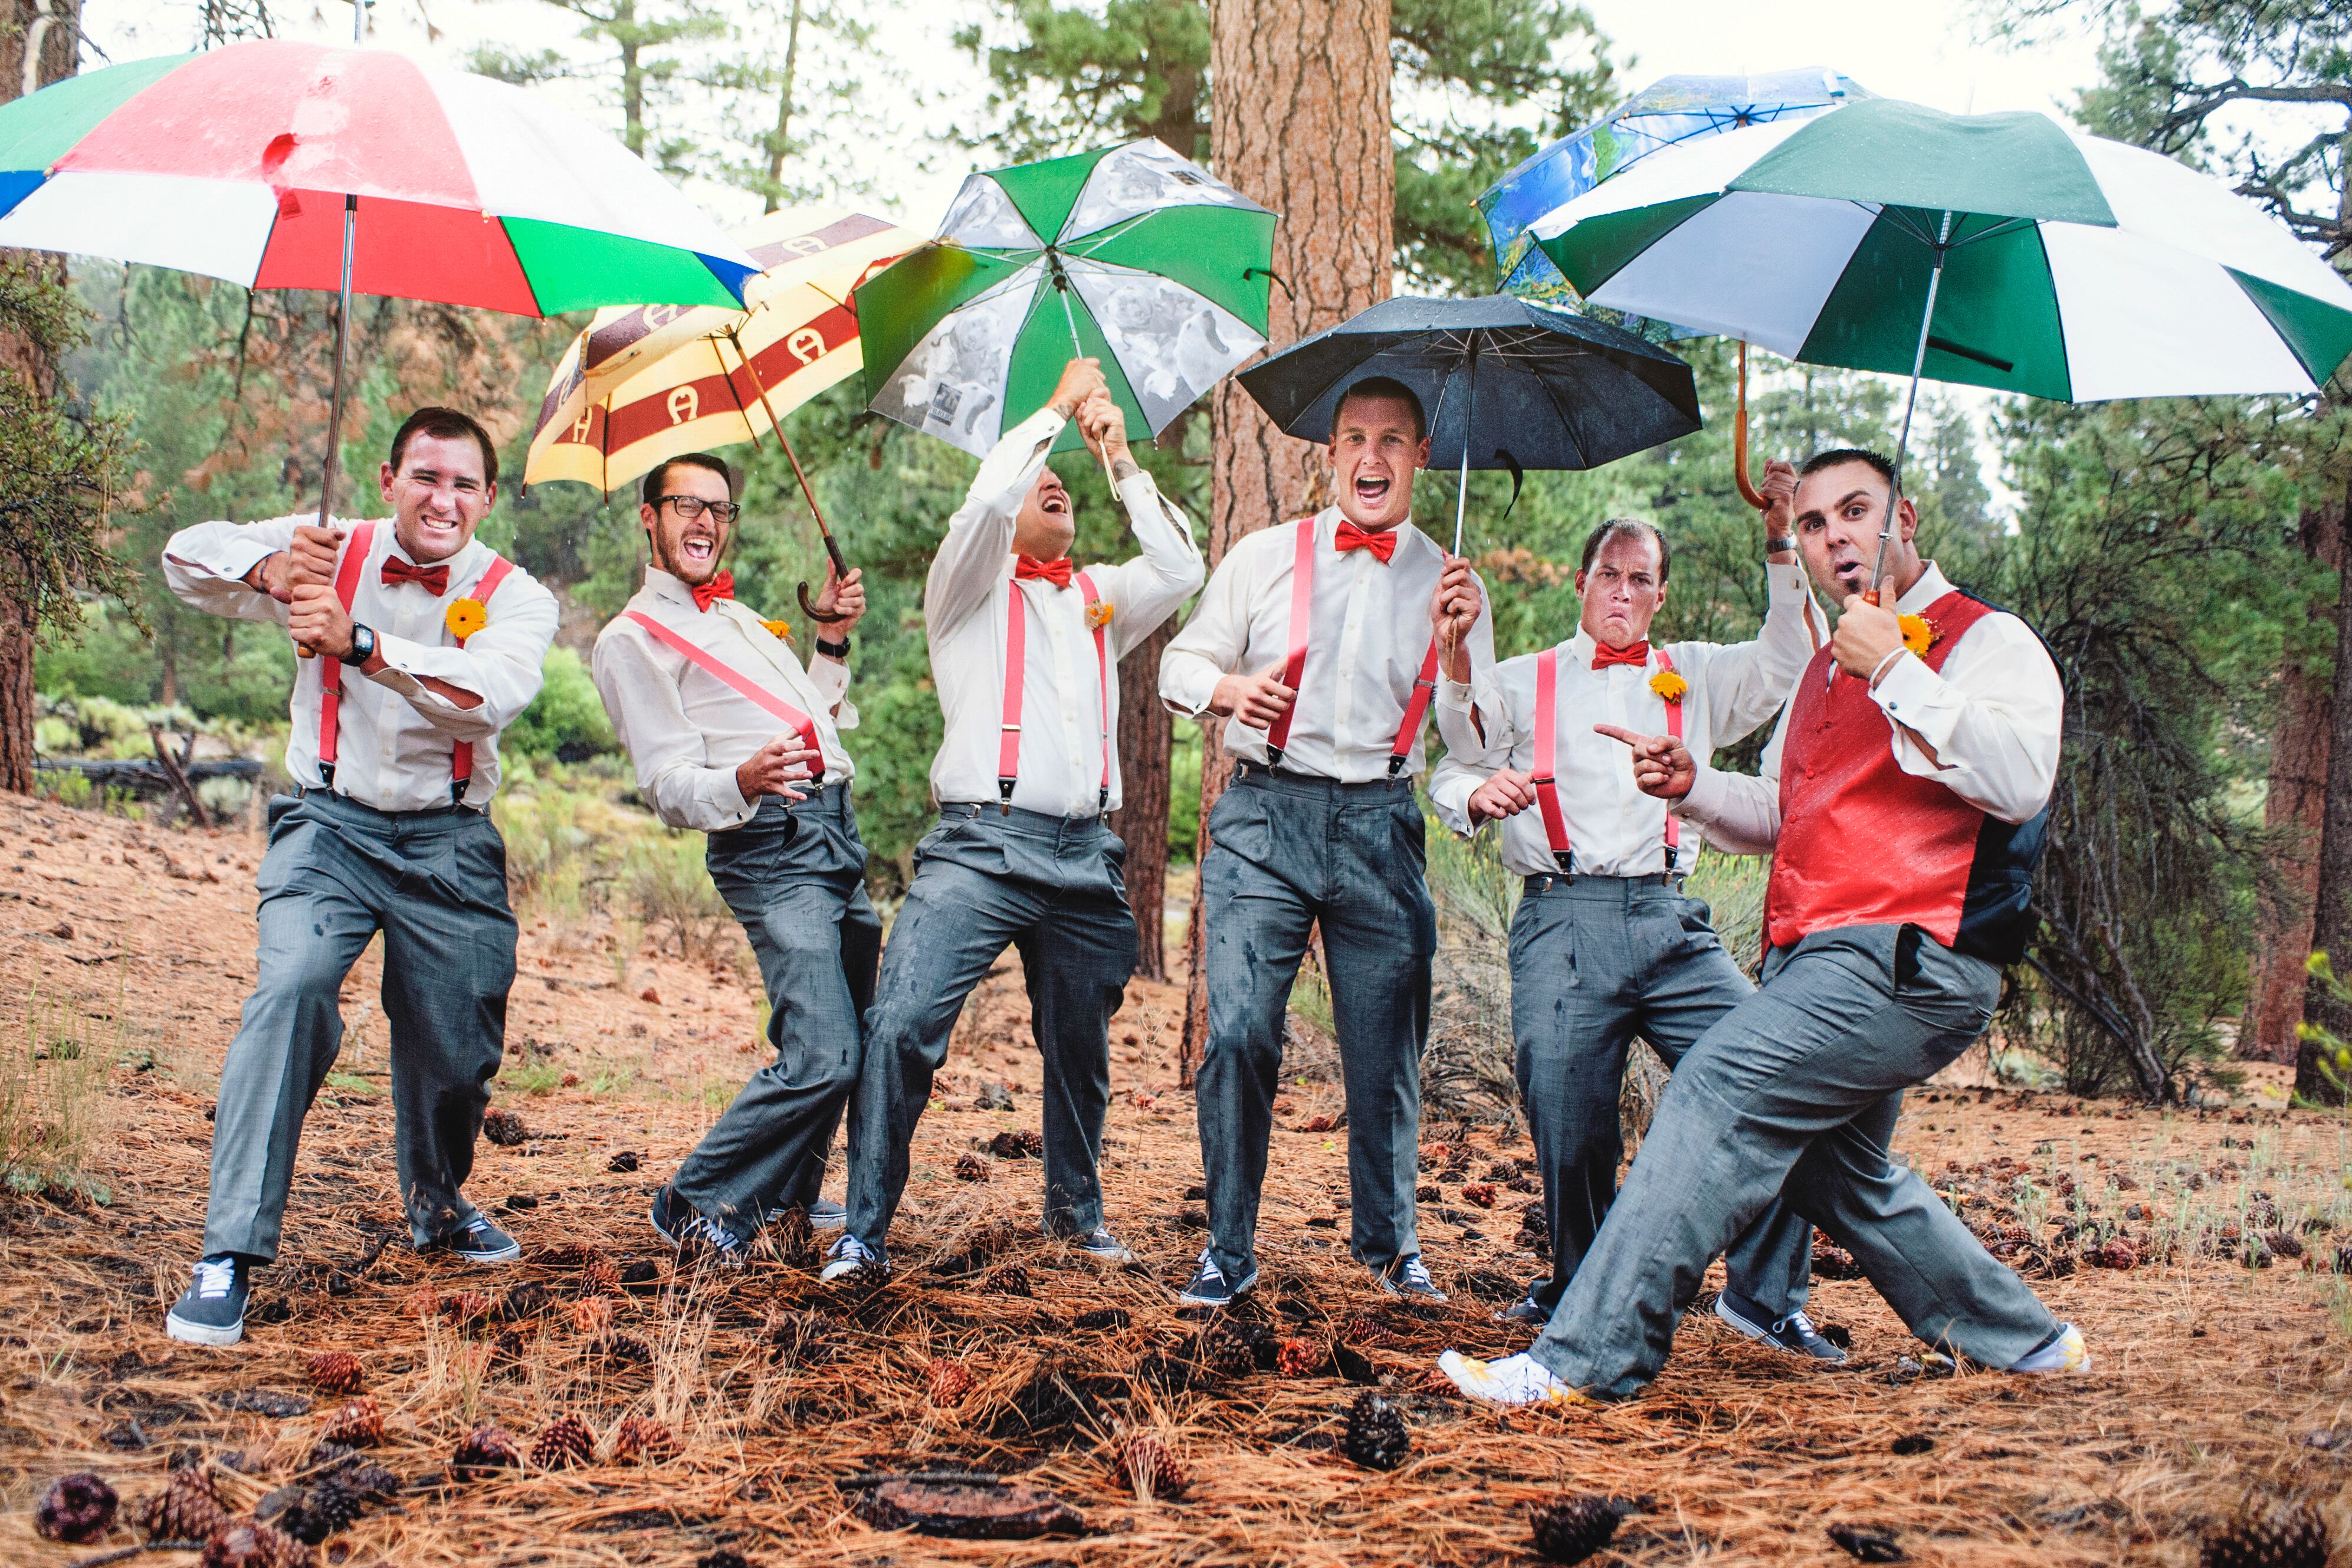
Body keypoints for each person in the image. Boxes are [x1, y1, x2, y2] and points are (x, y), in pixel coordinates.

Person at [1436, 448, 2088, 1405]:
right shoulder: (1828, 672)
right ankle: (2025, 1341)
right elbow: (1783, 812)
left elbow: (2020, 778)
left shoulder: (1989, 642)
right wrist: (1693, 785)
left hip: (1910, 954)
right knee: (1840, 1169)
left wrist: (1899, 668)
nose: (1835, 538)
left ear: (1904, 521)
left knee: (1716, 1082)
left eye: (1854, 512)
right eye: (1815, 523)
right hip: (1808, 956)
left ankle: (1582, 1358)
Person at [158, 407, 559, 1346]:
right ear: (388, 480)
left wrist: (361, 645)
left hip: (449, 843)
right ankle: (228, 1252)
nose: (443, 498)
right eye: (425, 476)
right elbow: (185, 554)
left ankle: (436, 1196)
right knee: (291, 989)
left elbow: (485, 697)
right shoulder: (328, 546)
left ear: (488, 498)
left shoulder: (517, 594)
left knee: (457, 1049)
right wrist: (271, 573)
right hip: (326, 825)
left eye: (463, 483)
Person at [1426, 478, 1837, 1357]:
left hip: (1672, 923)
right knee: (1569, 1119)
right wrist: (1475, 783)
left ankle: (1764, 1298)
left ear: (1659, 593)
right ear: (1582, 582)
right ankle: (1581, 1290)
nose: (1622, 591)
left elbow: (1791, 656)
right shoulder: (1523, 678)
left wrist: (1780, 546)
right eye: (1608, 574)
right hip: (1562, 918)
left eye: (1639, 578)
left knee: (1772, 1082)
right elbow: (1451, 758)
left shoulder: (1697, 672)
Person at [829, 357, 1203, 1282]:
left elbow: (1182, 564)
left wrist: (1116, 457)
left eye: (1063, 479)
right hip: (979, 848)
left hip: (1085, 857)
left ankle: (1077, 1218)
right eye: (1044, 477)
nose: (1055, 481)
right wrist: (1048, 407)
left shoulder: (1100, 598)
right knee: (903, 1019)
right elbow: (980, 511)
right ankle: (862, 1230)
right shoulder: (965, 592)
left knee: (1079, 1046)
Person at [1159, 376, 1494, 1308]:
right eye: (1355, 438)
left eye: (1393, 439)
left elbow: (1472, 744)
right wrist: (1229, 693)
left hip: (1382, 825)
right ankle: (1226, 1247)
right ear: (1332, 453)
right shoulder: (1264, 557)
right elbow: (1178, 664)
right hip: (1265, 816)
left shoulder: (1453, 583)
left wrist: (1459, 652)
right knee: (1237, 1032)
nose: (1372, 458)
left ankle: (1390, 1247)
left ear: (1423, 456)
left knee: (1386, 1052)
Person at [590, 452, 870, 1262]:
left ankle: (784, 1198)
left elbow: (819, 718)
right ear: (650, 516)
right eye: (686, 504)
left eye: (718, 506)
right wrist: (742, 778)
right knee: (824, 1049)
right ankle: (692, 1200)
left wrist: (831, 640)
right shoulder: (630, 640)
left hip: (834, 830)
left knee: (849, 1041)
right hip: (771, 842)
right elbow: (668, 782)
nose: (705, 520)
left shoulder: (739, 618)